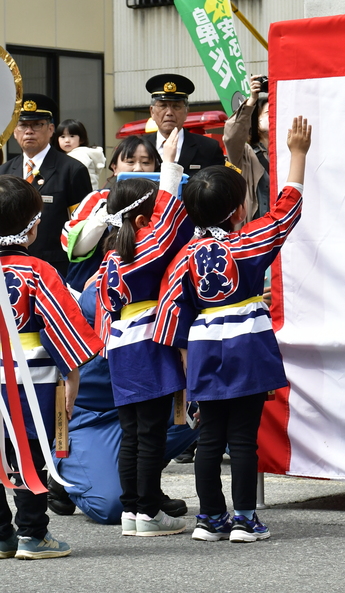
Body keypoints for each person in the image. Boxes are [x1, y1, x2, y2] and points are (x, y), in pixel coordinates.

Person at [154, 116, 312, 543]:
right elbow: (286, 211)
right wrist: (298, 154)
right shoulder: (248, 242)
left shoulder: (183, 256)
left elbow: (171, 316)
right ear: (239, 210)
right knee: (243, 439)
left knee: (209, 440)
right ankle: (245, 519)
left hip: (204, 347)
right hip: (247, 342)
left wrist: (185, 377)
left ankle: (210, 519)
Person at [96, 128, 194, 538]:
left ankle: (132, 512)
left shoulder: (111, 259)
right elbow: (168, 222)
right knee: (151, 432)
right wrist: (169, 165)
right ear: (141, 219)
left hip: (119, 347)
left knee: (132, 433)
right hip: (146, 345)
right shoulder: (143, 253)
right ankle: (148, 512)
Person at [0, 176, 103, 559]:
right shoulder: (38, 270)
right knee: (31, 451)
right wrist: (72, 376)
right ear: (31, 226)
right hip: (32, 378)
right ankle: (33, 535)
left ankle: (1, 535)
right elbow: (64, 326)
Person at [48, 280, 197, 525]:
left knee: (208, 408)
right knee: (111, 507)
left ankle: (145, 487)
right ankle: (64, 474)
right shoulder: (107, 284)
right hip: (91, 417)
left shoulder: (177, 278)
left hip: (143, 405)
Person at [0, 95, 92, 278]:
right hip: (9, 269)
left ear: (51, 129)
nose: (29, 131)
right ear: (14, 131)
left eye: (37, 125)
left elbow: (83, 228)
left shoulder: (72, 170)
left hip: (55, 270)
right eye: (23, 125)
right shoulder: (5, 171)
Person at [61, 135, 163, 293]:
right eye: (130, 161)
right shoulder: (98, 198)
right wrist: (105, 214)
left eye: (146, 162)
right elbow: (72, 247)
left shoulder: (162, 203)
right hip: (88, 293)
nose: (138, 168)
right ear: (114, 167)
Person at [146, 74, 224, 177]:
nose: (169, 112)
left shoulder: (208, 148)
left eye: (176, 106)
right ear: (152, 112)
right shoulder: (140, 147)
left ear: (186, 112)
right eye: (163, 106)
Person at [223, 74, 270, 221]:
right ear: (257, 120)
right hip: (255, 232)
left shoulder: (288, 152)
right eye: (269, 113)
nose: (275, 115)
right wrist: (252, 100)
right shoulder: (245, 154)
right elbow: (232, 136)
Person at [54, 119, 106, 192]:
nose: (67, 140)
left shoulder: (79, 155)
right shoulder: (71, 155)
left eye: (72, 136)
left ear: (81, 139)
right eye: (62, 137)